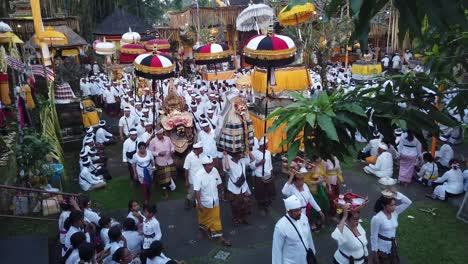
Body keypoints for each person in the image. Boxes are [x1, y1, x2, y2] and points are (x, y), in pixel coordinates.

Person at [193, 155, 231, 246]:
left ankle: (219, 237)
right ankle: (203, 230)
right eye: (209, 165)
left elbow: (219, 182)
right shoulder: (198, 175)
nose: (211, 166)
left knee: (216, 219)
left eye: (211, 164)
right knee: (203, 218)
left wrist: (221, 192)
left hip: (215, 200)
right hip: (204, 202)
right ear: (204, 165)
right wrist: (200, 203)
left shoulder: (214, 171)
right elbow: (197, 191)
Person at [370, 190, 412, 264]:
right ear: (384, 206)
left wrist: (396, 193)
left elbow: (408, 202)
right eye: (391, 205)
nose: (394, 207)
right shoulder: (377, 218)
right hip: (381, 248)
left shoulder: (395, 212)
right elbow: (374, 236)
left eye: (395, 204)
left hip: (393, 246)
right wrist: (375, 253)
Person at [272, 195, 316, 264]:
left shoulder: (304, 218)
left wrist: (313, 252)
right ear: (288, 211)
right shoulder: (280, 226)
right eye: (296, 211)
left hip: (306, 259)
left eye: (300, 209)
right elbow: (277, 249)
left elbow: (309, 237)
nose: (299, 213)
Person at [223, 151, 254, 226]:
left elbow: (252, 159)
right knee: (235, 206)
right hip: (234, 189)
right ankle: (236, 219)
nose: (242, 155)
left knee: (245, 204)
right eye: (241, 154)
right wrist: (226, 156)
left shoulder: (242, 161)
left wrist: (248, 151)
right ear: (236, 155)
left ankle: (243, 218)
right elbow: (227, 168)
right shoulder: (228, 162)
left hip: (243, 187)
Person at [149, 127, 176, 199]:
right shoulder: (153, 141)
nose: (159, 136)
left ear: (162, 133)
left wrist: (172, 150)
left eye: (161, 134)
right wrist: (158, 153)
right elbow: (150, 152)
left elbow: (172, 146)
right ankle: (165, 193)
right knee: (163, 180)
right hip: (161, 162)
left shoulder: (167, 138)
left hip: (169, 160)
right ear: (156, 134)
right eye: (158, 135)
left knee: (170, 176)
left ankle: (171, 186)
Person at [250, 137, 276, 215]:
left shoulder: (268, 152)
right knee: (260, 192)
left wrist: (271, 172)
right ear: (262, 145)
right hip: (259, 176)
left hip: (268, 175)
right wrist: (259, 163)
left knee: (269, 191)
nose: (268, 145)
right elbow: (251, 166)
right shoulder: (254, 153)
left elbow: (270, 164)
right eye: (267, 144)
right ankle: (261, 207)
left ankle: (267, 205)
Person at [304, 156, 330, 228]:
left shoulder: (319, 166)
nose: (321, 159)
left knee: (322, 204)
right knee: (312, 208)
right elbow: (308, 182)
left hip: (319, 189)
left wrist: (324, 181)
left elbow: (324, 175)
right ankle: (312, 223)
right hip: (310, 191)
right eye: (319, 158)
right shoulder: (306, 170)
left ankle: (320, 219)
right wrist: (319, 181)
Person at [183, 142, 205, 210]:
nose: (202, 149)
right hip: (193, 179)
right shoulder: (189, 157)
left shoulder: (203, 155)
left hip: (202, 178)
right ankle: (187, 203)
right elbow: (186, 169)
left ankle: (196, 204)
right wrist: (186, 181)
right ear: (197, 149)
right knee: (192, 194)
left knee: (200, 193)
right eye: (201, 148)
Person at [326, 155, 344, 220]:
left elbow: (338, 169)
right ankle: (332, 214)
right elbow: (324, 173)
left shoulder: (336, 158)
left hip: (335, 180)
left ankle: (336, 209)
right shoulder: (325, 160)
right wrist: (329, 186)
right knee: (331, 198)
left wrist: (340, 179)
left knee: (337, 196)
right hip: (329, 181)